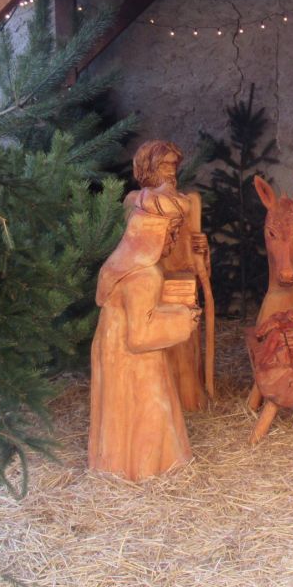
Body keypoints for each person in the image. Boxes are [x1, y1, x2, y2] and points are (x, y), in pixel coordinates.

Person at [89, 190, 201, 481]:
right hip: (136, 362)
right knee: (148, 410)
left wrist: (170, 309)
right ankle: (147, 468)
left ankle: (115, 465)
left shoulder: (120, 264)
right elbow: (140, 336)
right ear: (154, 231)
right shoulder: (145, 275)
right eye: (171, 233)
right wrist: (184, 319)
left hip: (112, 351)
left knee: (119, 412)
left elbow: (137, 314)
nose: (173, 241)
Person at [125, 139, 214, 409]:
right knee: (158, 345)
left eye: (174, 165)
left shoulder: (189, 202)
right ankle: (161, 404)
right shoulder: (136, 201)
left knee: (185, 342)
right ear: (147, 167)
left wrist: (202, 250)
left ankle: (189, 399)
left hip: (183, 284)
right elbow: (131, 248)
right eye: (164, 165)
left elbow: (195, 261)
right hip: (149, 286)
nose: (171, 171)